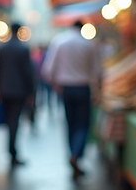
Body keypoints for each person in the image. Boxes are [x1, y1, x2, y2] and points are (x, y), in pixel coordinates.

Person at [42, 20, 103, 179]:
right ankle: (76, 154)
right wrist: (98, 92)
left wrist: (56, 85)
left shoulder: (59, 41)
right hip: (83, 88)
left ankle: (73, 154)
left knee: (70, 123)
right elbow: (97, 71)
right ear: (82, 28)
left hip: (66, 88)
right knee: (83, 124)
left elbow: (48, 70)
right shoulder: (88, 44)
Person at [0, 22, 35, 168]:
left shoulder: (3, 48)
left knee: (10, 121)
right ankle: (12, 152)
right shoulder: (23, 49)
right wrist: (31, 91)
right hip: (19, 91)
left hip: (5, 90)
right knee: (14, 121)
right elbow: (28, 72)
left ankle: (11, 150)